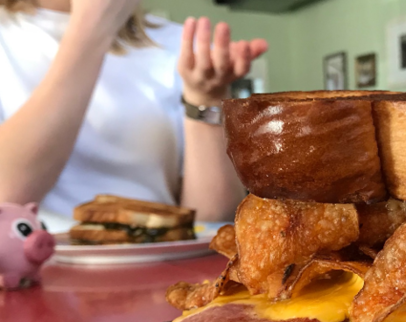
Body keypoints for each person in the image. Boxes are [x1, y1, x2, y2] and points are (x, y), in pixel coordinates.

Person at [0, 0, 267, 230]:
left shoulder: (180, 44)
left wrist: (205, 97)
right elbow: (8, 195)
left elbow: (212, 218)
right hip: (35, 273)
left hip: (159, 270)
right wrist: (93, 25)